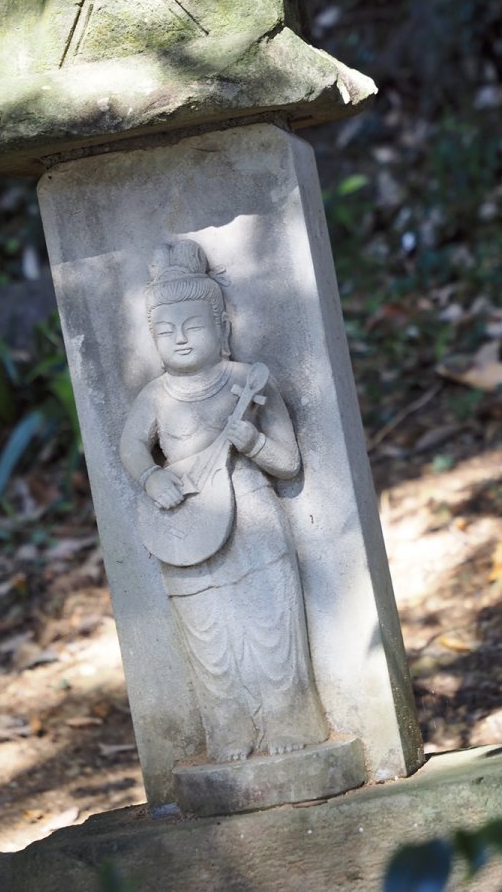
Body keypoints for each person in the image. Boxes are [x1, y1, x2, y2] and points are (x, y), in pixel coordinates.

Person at [120, 239, 328, 762]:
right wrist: (152, 478)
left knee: (269, 623)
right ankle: (228, 728)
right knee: (208, 635)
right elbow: (131, 446)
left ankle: (291, 718)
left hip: (253, 514)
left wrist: (252, 443)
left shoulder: (248, 381)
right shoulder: (157, 395)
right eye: (165, 331)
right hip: (184, 523)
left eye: (192, 325)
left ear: (224, 328)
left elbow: (288, 462)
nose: (179, 338)